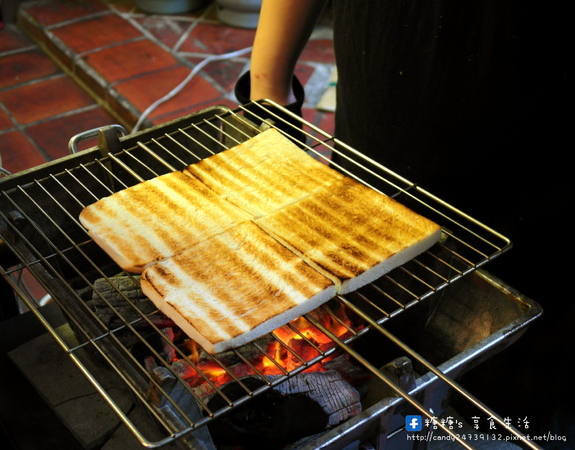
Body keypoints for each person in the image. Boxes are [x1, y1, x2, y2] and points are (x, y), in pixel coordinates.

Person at [235, 0, 571, 445]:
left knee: (506, 406)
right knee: (376, 344)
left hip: (540, 170)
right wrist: (269, 86)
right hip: (382, 115)